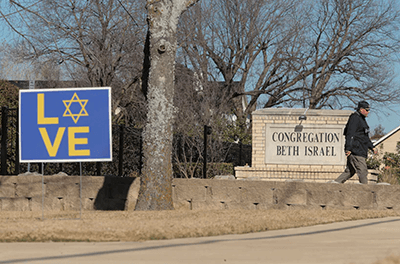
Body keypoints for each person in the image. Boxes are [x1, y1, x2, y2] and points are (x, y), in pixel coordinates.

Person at [332, 101, 377, 184]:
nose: (368, 112)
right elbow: (350, 134)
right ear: (361, 109)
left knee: (349, 171)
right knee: (363, 171)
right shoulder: (354, 118)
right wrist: (348, 148)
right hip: (356, 150)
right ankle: (366, 191)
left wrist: (372, 147)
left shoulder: (362, 119)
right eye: (367, 110)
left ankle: (334, 184)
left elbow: (365, 137)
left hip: (361, 150)